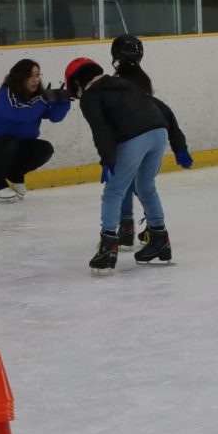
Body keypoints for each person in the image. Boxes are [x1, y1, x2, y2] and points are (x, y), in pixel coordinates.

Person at [66, 57, 172, 276]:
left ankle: (107, 248)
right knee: (145, 186)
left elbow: (100, 130)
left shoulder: (90, 96)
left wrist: (107, 160)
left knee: (113, 191)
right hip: (159, 131)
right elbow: (155, 105)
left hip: (135, 138)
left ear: (78, 83)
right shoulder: (124, 83)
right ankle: (160, 240)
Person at [108, 34, 193, 249]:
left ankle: (127, 225)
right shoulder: (141, 78)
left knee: (128, 184)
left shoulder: (119, 82)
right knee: (143, 186)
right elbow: (164, 111)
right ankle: (152, 228)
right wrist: (179, 146)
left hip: (132, 138)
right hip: (153, 137)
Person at [0, 58, 72, 200]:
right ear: (19, 77)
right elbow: (22, 115)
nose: (35, 79)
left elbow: (54, 117)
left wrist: (63, 102)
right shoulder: (6, 93)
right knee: (10, 143)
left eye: (37, 75)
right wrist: (43, 100)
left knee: (44, 149)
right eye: (30, 76)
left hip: (16, 147)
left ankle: (14, 173)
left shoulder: (37, 97)